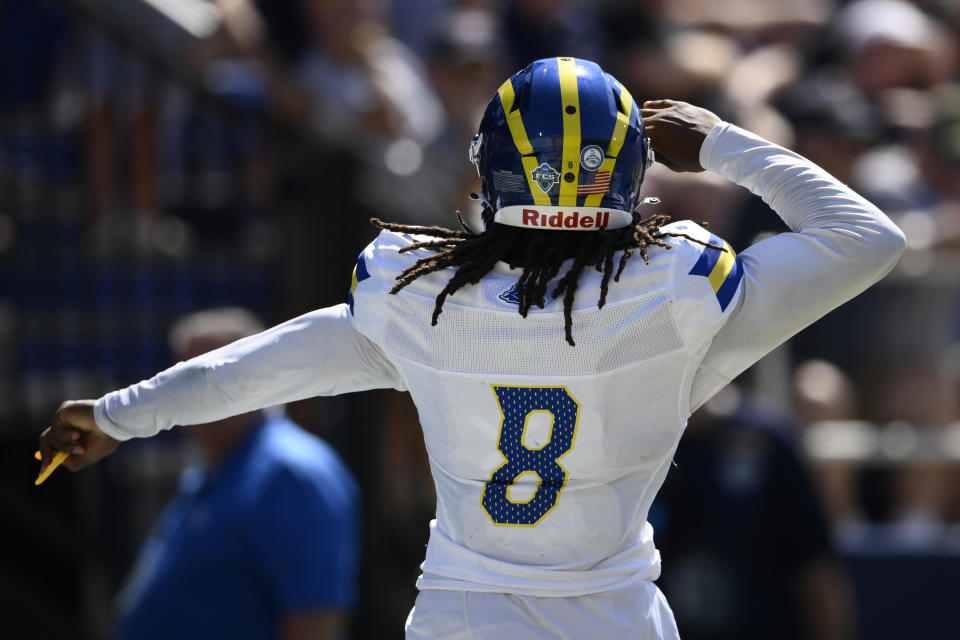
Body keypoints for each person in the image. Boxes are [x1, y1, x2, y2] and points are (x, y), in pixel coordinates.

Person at [38, 58, 904, 639]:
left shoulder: (422, 304)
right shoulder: (678, 303)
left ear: (491, 168)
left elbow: (266, 364)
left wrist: (123, 415)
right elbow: (867, 238)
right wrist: (721, 143)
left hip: (462, 622)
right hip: (614, 622)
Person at [111, 308, 361, 640]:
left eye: (208, 377)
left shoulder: (289, 472)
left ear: (257, 375)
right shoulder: (217, 465)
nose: (189, 394)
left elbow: (316, 619)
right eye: (182, 378)